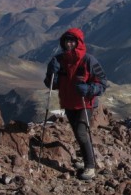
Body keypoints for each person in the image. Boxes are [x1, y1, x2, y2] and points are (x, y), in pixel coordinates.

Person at [44, 28, 107, 180]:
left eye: (72, 41)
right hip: (68, 103)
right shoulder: (59, 60)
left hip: (85, 104)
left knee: (81, 132)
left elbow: (103, 83)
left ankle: (90, 166)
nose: (69, 44)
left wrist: (89, 89)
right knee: (78, 134)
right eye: (67, 41)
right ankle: (87, 160)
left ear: (78, 42)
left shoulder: (89, 61)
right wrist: (52, 73)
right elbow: (50, 84)